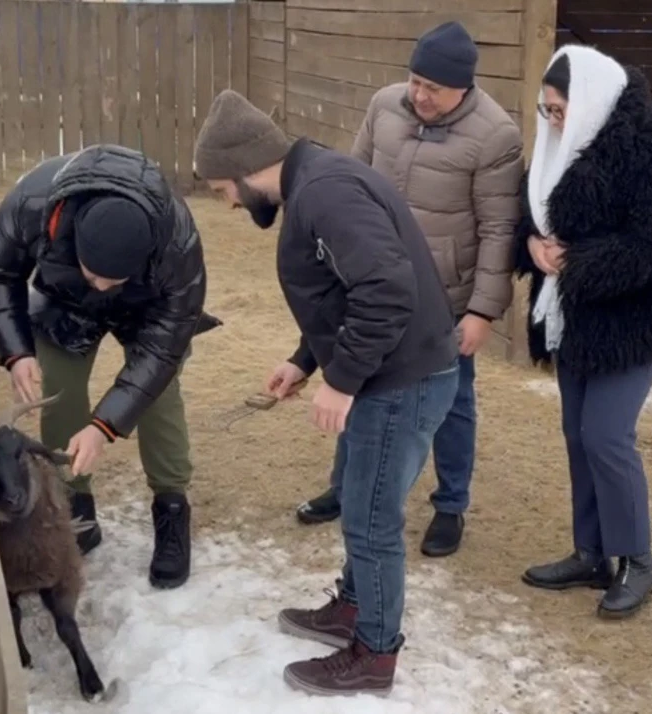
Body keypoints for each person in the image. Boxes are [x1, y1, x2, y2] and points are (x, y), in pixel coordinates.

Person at [194, 89, 460, 696]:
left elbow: (386, 289)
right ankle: (355, 608)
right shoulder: (315, 180)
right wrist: (305, 361)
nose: (230, 204)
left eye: (223, 190)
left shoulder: (325, 192)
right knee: (360, 501)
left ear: (244, 168)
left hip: (400, 380)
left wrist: (341, 380)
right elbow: (342, 291)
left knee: (370, 520)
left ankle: (375, 652)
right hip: (391, 374)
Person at [294, 20, 523, 559]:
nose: (419, 95)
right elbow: (347, 181)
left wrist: (483, 311)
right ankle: (346, 486)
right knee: (357, 380)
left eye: (433, 88)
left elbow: (497, 229)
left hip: (445, 296)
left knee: (455, 400)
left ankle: (450, 504)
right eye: (415, 81)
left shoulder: (496, 136)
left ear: (463, 87)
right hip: (372, 285)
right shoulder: (384, 106)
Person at [0, 143, 221, 590]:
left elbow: (163, 350)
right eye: (96, 275)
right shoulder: (32, 204)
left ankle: (171, 508)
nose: (104, 287)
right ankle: (74, 505)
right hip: (64, 302)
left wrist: (105, 426)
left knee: (159, 398)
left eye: (115, 279)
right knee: (59, 390)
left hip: (147, 310)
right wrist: (16, 351)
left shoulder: (176, 244)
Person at [512, 45, 652, 619]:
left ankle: (637, 561)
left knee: (606, 435)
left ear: (590, 100)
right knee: (577, 432)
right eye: (545, 110)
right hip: (576, 321)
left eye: (559, 109)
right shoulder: (558, 145)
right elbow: (533, 207)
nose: (551, 121)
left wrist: (577, 262)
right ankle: (591, 552)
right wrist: (532, 244)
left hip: (635, 320)